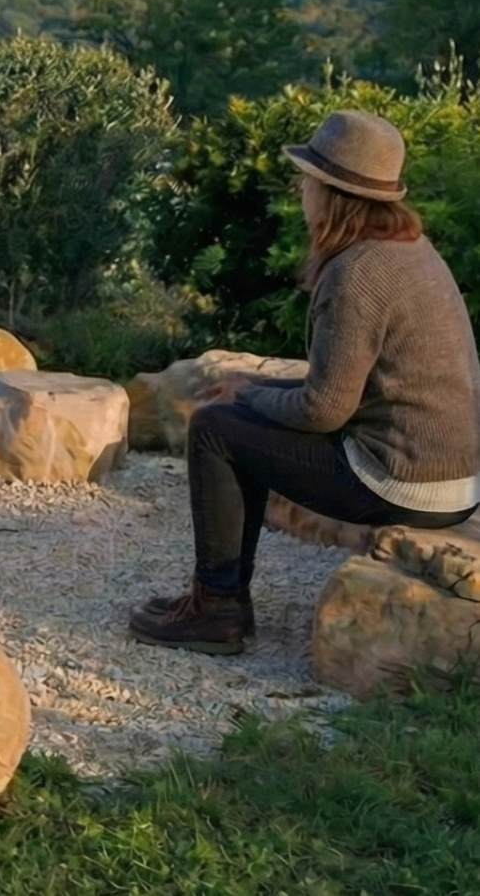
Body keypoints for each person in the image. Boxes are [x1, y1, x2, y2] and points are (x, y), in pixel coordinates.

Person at [131, 109, 480, 654]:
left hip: (401, 483)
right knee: (238, 419)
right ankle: (215, 601)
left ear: (333, 194)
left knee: (216, 428)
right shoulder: (411, 251)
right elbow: (347, 391)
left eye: (308, 179)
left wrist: (245, 392)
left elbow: (323, 410)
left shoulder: (356, 272)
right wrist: (253, 388)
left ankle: (217, 608)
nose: (300, 188)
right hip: (454, 483)